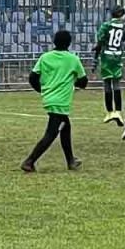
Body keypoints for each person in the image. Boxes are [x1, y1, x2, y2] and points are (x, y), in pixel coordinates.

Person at [23, 29, 87, 172]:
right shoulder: (73, 59)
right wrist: (73, 81)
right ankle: (29, 161)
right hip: (61, 102)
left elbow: (32, 77)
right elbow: (84, 82)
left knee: (65, 127)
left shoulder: (45, 57)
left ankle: (71, 160)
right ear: (69, 43)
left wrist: (41, 89)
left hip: (49, 98)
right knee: (51, 133)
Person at [93, 6, 125, 125]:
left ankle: (110, 112)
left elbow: (100, 40)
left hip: (107, 56)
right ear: (122, 15)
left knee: (107, 83)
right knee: (116, 83)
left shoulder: (106, 25)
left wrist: (96, 54)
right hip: (117, 56)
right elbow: (123, 39)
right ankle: (119, 112)